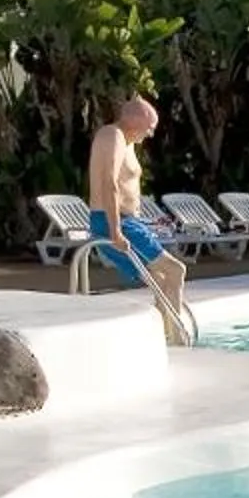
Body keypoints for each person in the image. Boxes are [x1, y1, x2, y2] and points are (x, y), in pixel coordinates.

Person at [86, 96, 192, 344]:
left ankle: (163, 338)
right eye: (150, 127)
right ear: (135, 120)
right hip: (115, 223)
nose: (151, 134)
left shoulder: (127, 142)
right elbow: (108, 183)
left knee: (161, 280)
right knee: (176, 270)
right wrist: (115, 231)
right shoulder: (112, 136)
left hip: (126, 222)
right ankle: (176, 338)